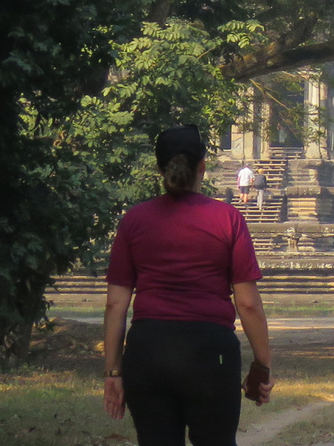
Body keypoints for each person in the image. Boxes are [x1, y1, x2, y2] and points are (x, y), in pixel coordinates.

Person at [102, 125, 274, 445]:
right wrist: (262, 367)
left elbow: (115, 304)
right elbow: (248, 304)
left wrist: (113, 372)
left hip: (148, 351)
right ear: (202, 167)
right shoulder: (227, 218)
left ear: (159, 168)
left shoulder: (134, 221)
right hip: (211, 354)